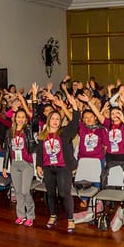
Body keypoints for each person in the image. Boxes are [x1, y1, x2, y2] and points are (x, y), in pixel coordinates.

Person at [36, 95, 80, 233]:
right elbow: (39, 151)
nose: (55, 121)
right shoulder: (43, 135)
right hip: (48, 167)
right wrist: (38, 165)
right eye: (53, 119)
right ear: (49, 120)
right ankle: (53, 215)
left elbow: (74, 124)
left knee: (63, 193)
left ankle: (70, 219)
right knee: (50, 193)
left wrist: (74, 108)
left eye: (57, 119)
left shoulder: (64, 133)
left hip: (63, 167)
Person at [2, 109, 37, 226]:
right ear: (14, 119)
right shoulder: (9, 132)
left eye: (23, 117)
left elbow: (32, 148)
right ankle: (21, 215)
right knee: (17, 192)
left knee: (25, 191)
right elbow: (7, 150)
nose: (20, 119)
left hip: (27, 164)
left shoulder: (28, 130)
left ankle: (30, 215)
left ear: (26, 119)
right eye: (18, 117)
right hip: (14, 164)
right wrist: (4, 166)